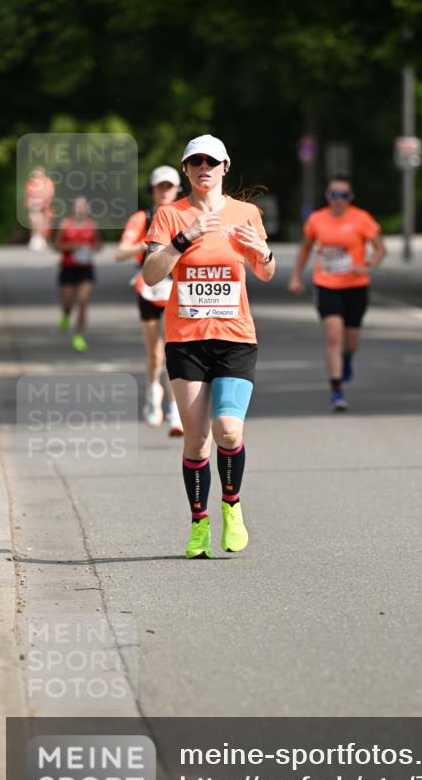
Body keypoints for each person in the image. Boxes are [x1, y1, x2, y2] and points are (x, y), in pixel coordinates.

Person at [142, 134, 275, 559]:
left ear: (225, 167)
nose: (204, 168)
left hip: (235, 337)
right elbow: (150, 275)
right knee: (197, 440)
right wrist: (185, 238)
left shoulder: (246, 213)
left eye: (211, 162)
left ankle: (231, 507)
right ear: (186, 170)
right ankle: (199, 523)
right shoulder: (169, 215)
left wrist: (265, 253)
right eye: (195, 161)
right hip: (187, 341)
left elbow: (266, 272)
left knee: (228, 430)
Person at [288, 176, 386, 410]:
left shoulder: (361, 219)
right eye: (335, 194)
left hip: (355, 286)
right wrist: (295, 277)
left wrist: (369, 263)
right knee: (334, 338)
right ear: (327, 196)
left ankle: (348, 358)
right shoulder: (316, 219)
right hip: (326, 285)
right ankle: (336, 392)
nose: (339, 200)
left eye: (344, 195)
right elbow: (305, 249)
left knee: (351, 342)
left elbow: (380, 248)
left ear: (350, 198)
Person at [116, 166, 183, 436]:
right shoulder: (141, 218)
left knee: (175, 352)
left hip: (178, 290)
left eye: (170, 186)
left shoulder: (185, 216)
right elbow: (120, 253)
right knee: (155, 353)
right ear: (153, 189)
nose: (165, 191)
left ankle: (175, 412)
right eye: (160, 186)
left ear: (178, 188)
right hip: (149, 290)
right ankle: (153, 392)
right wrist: (147, 244)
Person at [54, 195, 101, 352]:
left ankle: (78, 337)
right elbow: (56, 245)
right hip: (68, 268)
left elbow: (98, 245)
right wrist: (71, 246)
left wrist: (91, 249)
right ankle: (66, 316)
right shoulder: (65, 224)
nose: (80, 208)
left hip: (85, 269)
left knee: (82, 301)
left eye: (83, 206)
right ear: (73, 208)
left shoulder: (92, 225)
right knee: (68, 303)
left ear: (87, 208)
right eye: (78, 206)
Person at [25, 166, 55, 250]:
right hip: (34, 206)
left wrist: (44, 203)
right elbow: (28, 194)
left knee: (44, 222)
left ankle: (42, 239)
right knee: (33, 220)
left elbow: (49, 193)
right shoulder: (31, 182)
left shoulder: (47, 182)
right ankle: (35, 237)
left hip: (44, 207)